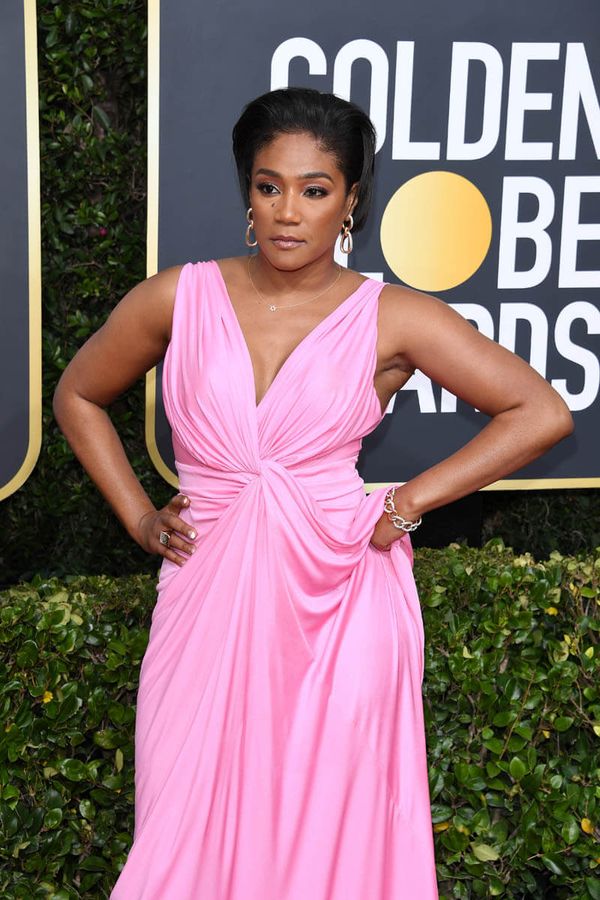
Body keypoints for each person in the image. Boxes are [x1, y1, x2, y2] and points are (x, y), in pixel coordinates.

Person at [53, 86, 573, 899]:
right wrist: (141, 517)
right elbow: (78, 395)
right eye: (270, 186)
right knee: (180, 830)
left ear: (351, 200)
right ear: (248, 194)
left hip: (338, 603)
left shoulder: (392, 316)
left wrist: (406, 503)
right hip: (204, 598)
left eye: (315, 189)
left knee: (328, 839)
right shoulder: (177, 297)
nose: (288, 211)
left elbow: (539, 411)